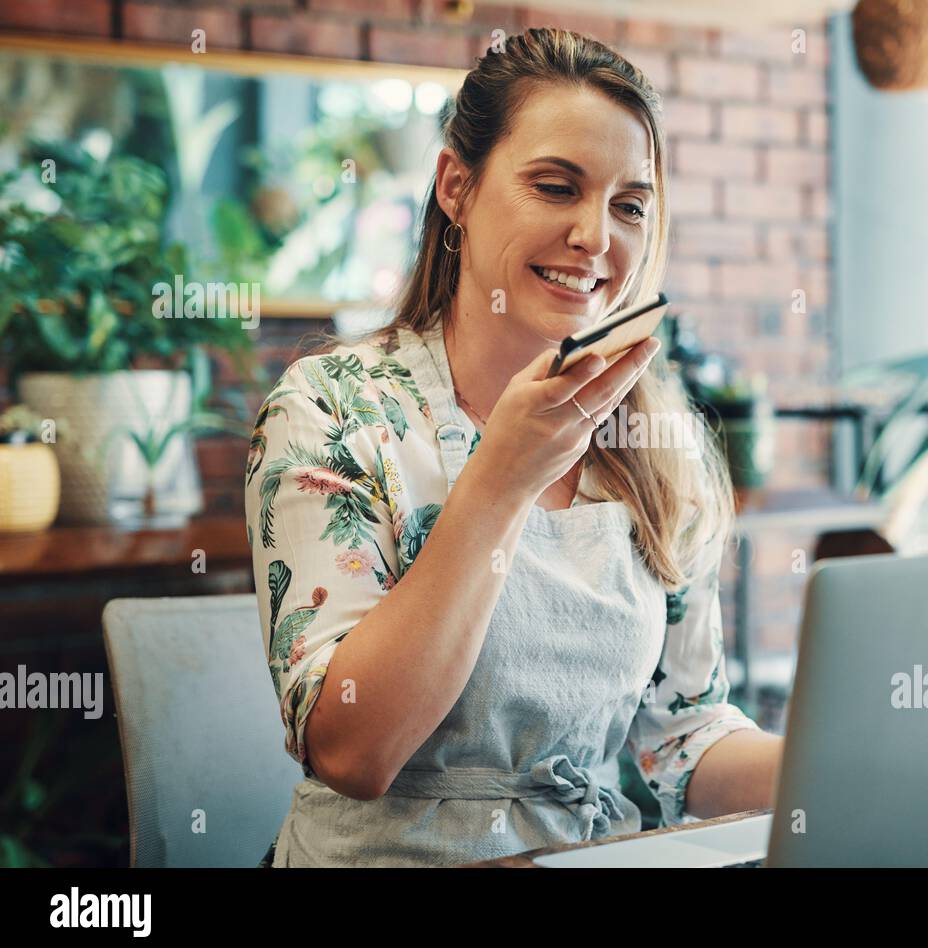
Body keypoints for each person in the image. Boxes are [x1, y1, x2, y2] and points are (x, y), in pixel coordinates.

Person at [245, 27, 783, 867]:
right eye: (555, 186)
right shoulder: (332, 409)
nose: (596, 238)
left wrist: (839, 762)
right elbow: (354, 750)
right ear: (456, 186)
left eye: (629, 205)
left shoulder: (656, 445)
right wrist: (498, 480)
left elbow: (684, 737)